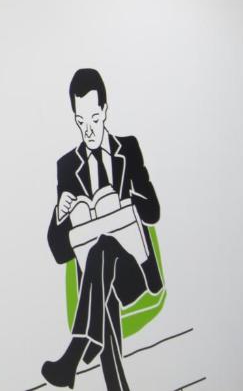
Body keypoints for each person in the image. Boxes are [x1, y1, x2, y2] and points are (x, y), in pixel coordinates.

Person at [41, 69, 163, 390]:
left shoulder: (129, 148)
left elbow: (153, 211)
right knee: (99, 258)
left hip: (133, 271)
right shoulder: (67, 167)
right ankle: (101, 368)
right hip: (100, 278)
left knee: (103, 253)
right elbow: (58, 251)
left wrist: (125, 203)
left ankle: (75, 352)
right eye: (81, 122)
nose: (89, 130)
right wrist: (60, 214)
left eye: (94, 119)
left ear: (105, 111)